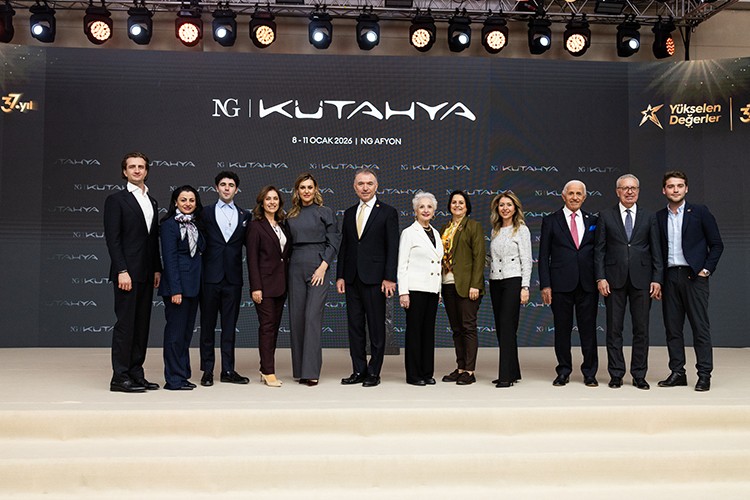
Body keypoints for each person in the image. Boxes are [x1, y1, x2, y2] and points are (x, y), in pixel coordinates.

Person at [656, 171, 723, 392]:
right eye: (671, 186)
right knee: (673, 329)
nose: (675, 189)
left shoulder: (700, 212)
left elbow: (717, 244)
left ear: (686, 189)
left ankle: (704, 375)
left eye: (679, 185)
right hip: (669, 277)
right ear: (664, 190)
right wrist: (658, 280)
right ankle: (678, 373)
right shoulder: (658, 217)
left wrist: (706, 270)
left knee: (700, 328)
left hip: (694, 277)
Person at [595, 174, 663, 390]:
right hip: (613, 280)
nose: (629, 191)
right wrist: (600, 277)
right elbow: (599, 250)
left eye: (633, 188)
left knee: (641, 330)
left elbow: (656, 250)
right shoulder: (605, 216)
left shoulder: (649, 216)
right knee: (614, 329)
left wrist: (657, 279)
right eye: (625, 188)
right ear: (618, 191)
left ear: (638, 191)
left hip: (642, 280)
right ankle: (616, 374)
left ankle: (639, 375)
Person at [103, 151, 162, 393]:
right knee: (126, 325)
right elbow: (113, 239)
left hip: (147, 273)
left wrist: (157, 268)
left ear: (146, 171)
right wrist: (122, 270)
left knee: (141, 326)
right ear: (124, 171)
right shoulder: (116, 200)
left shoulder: (152, 201)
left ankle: (136, 373)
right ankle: (119, 376)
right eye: (132, 167)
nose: (137, 170)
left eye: (141, 166)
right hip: (127, 274)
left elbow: (152, 239)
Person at [337, 169, 400, 388]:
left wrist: (389, 277)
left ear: (376, 186)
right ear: (354, 187)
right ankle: (358, 370)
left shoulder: (388, 212)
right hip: (352, 278)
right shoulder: (349, 213)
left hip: (376, 279)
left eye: (369, 183)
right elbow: (345, 246)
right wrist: (340, 276)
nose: (365, 187)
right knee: (355, 327)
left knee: (376, 328)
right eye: (361, 184)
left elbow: (393, 247)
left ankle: (374, 372)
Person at [538, 180, 599, 388]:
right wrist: (545, 285)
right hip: (560, 285)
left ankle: (589, 373)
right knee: (562, 331)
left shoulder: (593, 220)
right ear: (563, 196)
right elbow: (543, 255)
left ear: (584, 197)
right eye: (571, 193)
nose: (575, 197)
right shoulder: (551, 220)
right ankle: (563, 371)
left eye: (578, 194)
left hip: (587, 285)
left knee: (588, 331)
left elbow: (598, 252)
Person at [286, 173, 340, 386]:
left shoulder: (325, 212)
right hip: (295, 267)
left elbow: (334, 241)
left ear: (316, 189)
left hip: (318, 267)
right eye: (302, 187)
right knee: (297, 318)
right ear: (297, 191)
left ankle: (311, 371)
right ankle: (301, 370)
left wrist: (323, 267)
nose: (306, 191)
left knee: (311, 318)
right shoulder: (290, 215)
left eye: (310, 187)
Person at [199, 171, 251, 386]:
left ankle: (228, 370)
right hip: (209, 278)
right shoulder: (205, 212)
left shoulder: (245, 215)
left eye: (231, 185)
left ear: (236, 189)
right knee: (207, 326)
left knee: (229, 327)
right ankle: (207, 370)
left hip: (233, 279)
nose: (227, 188)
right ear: (216, 188)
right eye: (223, 184)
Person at [158, 186, 206, 391]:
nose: (188, 203)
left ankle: (183, 374)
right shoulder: (169, 225)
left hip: (193, 286)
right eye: (183, 200)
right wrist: (175, 290)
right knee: (175, 335)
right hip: (177, 288)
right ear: (175, 202)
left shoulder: (196, 224)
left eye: (191, 200)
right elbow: (169, 260)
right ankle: (173, 379)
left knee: (186, 334)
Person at [246, 186, 291, 388]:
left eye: (275, 199)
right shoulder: (255, 226)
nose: (272, 202)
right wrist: (256, 287)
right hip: (263, 287)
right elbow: (252, 259)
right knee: (267, 328)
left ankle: (265, 367)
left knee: (273, 328)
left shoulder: (283, 225)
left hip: (281, 285)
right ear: (262, 202)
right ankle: (268, 371)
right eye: (268, 199)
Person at [440, 190, 486, 386]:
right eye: (454, 202)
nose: (457, 205)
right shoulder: (445, 228)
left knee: (468, 327)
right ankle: (460, 368)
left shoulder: (473, 226)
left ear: (467, 207)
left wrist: (475, 284)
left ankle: (469, 370)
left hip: (468, 286)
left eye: (461, 202)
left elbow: (479, 256)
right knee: (456, 329)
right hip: (447, 284)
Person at [397, 192, 443, 386]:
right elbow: (402, 264)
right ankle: (414, 375)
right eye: (421, 207)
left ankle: (427, 372)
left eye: (429, 207)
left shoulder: (436, 233)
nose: (426, 210)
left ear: (434, 211)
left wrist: (438, 290)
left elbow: (438, 264)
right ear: (415, 211)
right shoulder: (409, 233)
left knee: (428, 332)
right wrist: (403, 292)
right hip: (414, 290)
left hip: (432, 290)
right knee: (415, 333)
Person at [487, 191, 531, 388]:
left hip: (513, 280)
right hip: (495, 282)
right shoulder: (495, 230)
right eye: (502, 205)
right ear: (497, 208)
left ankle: (505, 376)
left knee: (507, 326)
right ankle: (513, 371)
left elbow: (526, 260)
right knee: (502, 327)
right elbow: (493, 259)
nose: (505, 208)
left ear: (515, 208)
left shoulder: (521, 230)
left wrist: (525, 286)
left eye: (509, 205)